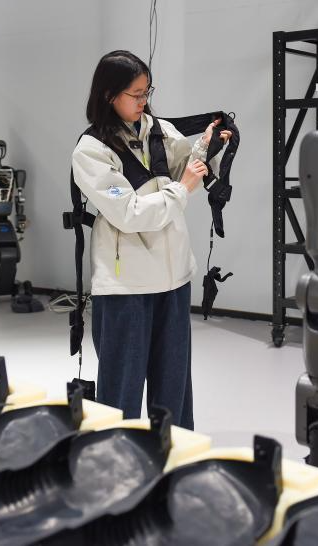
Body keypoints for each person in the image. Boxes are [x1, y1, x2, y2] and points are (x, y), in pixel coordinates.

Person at [71, 50, 231, 429]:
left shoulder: (159, 130)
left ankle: (174, 454)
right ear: (109, 94)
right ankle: (116, 456)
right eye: (136, 94)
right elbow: (130, 214)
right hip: (126, 287)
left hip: (174, 280)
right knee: (120, 393)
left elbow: (187, 167)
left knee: (174, 390)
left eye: (147, 92)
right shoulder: (91, 151)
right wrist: (183, 188)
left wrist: (207, 147)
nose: (144, 101)